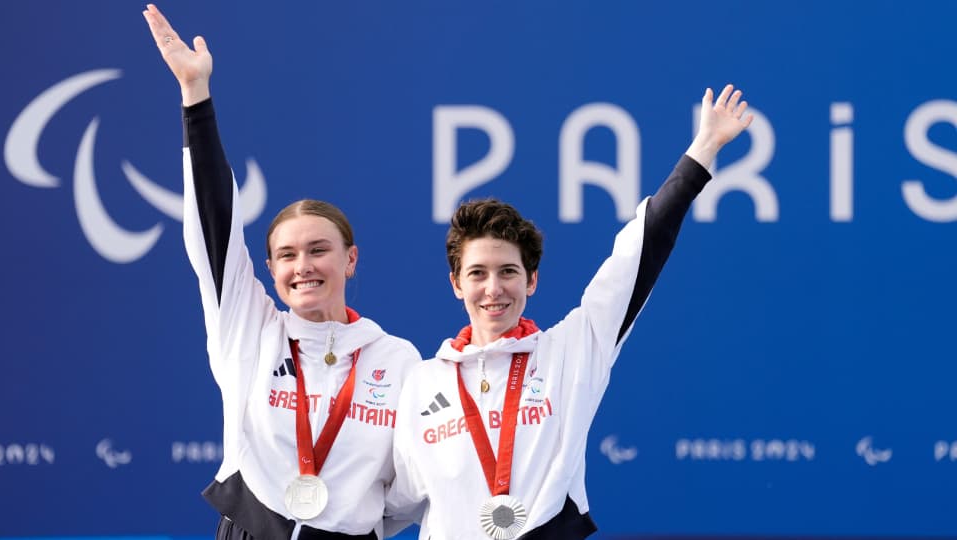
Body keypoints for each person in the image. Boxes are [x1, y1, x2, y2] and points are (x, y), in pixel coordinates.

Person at [386, 85, 754, 539]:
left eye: (508, 272)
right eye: (477, 273)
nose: (493, 288)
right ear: (456, 284)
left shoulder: (571, 351)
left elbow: (635, 258)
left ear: (532, 280)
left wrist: (704, 148)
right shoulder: (422, 383)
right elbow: (392, 501)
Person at [142, 5, 422, 540]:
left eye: (319, 250)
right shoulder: (250, 329)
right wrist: (195, 98)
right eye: (287, 256)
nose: (303, 267)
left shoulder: (396, 358)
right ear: (269, 270)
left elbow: (409, 484)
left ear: (351, 259)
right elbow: (214, 228)